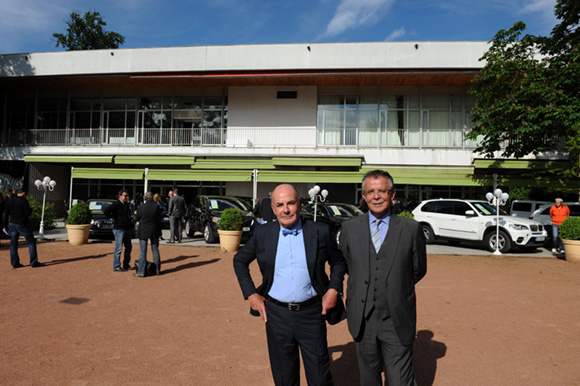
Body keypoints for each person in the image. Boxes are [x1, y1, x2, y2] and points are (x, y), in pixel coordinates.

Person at [233, 184, 347, 386]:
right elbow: (239, 261)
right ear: (273, 208)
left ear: (300, 204)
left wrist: (333, 289)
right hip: (276, 316)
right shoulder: (262, 233)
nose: (286, 210)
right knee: (285, 379)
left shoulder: (320, 230)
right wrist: (251, 294)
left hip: (312, 314)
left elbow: (338, 262)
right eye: (280, 205)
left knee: (320, 378)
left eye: (291, 203)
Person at [339, 170, 427, 386]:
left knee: (400, 380)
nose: (376, 196)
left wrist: (395, 285)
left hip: (396, 317)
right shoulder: (349, 229)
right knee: (368, 378)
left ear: (392, 194)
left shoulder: (410, 229)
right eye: (370, 192)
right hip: (362, 318)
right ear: (364, 196)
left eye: (381, 191)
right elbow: (350, 265)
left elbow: (418, 270)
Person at [2, 188, 44, 268]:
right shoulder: (23, 201)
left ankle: (15, 263)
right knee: (31, 242)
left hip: (12, 224)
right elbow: (27, 213)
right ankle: (33, 262)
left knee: (13, 244)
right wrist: (31, 209)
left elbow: (6, 214)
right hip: (22, 224)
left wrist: (4, 226)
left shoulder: (10, 201)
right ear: (23, 193)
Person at [104, 189, 134, 272]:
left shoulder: (126, 205)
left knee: (128, 248)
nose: (127, 197)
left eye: (127, 196)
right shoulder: (116, 204)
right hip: (119, 229)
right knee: (119, 248)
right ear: (120, 196)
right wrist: (111, 218)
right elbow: (106, 211)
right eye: (125, 196)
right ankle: (116, 266)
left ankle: (126, 264)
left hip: (127, 229)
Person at [134, 192, 162, 277]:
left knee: (143, 251)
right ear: (152, 198)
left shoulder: (140, 207)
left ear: (145, 198)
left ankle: (141, 271)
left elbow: (137, 218)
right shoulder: (156, 206)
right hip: (154, 230)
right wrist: (160, 232)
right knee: (155, 250)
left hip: (143, 230)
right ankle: (157, 270)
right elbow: (159, 219)